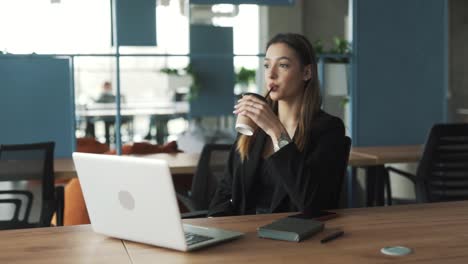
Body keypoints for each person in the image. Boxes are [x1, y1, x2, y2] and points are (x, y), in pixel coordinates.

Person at [208, 33, 347, 216]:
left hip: (293, 237)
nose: (271, 74)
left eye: (283, 65)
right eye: (267, 65)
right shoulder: (253, 127)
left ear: (306, 73)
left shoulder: (329, 130)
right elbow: (225, 193)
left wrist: (276, 130)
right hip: (245, 236)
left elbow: (313, 203)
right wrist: (214, 229)